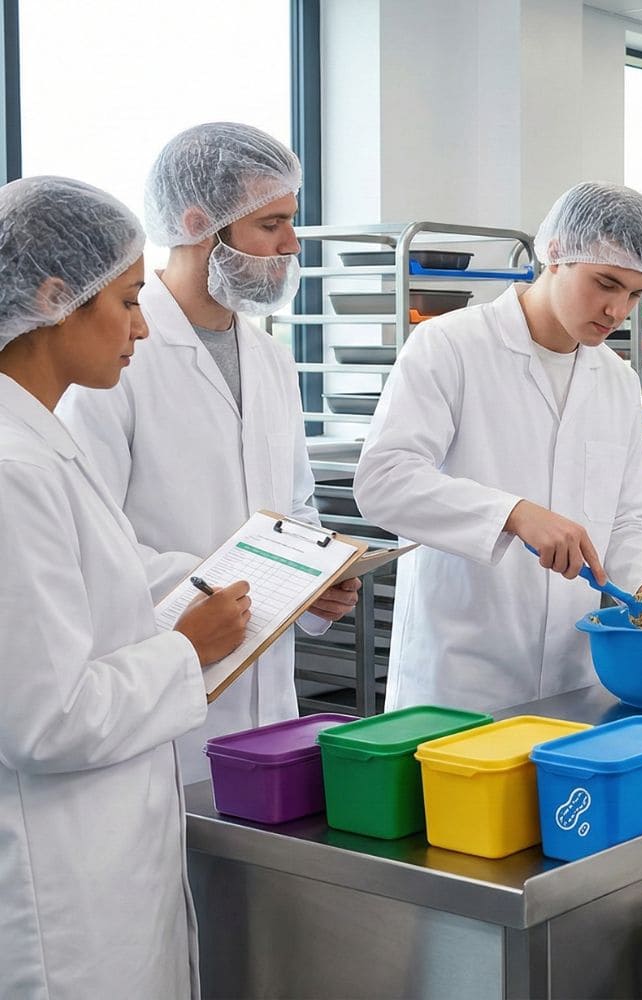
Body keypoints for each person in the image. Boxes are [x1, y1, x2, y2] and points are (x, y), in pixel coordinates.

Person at [0, 176, 251, 999]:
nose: (142, 327)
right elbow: (45, 718)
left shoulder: (39, 446)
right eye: (129, 300)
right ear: (53, 297)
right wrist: (186, 649)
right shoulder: (14, 469)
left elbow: (87, 605)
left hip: (105, 847)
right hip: (60, 885)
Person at [57, 123, 358, 784]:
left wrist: (314, 582)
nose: (291, 245)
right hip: (160, 681)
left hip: (266, 696)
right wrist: (218, 584)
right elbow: (86, 536)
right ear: (200, 224)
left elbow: (295, 509)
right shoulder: (114, 360)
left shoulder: (272, 361)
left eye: (291, 222)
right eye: (271, 224)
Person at [355, 182, 642, 712]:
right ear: (556, 252)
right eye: (605, 283)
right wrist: (512, 513)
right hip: (462, 675)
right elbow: (384, 481)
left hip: (575, 674)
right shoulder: (450, 346)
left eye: (635, 293)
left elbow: (627, 518)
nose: (617, 309)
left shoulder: (617, 380)